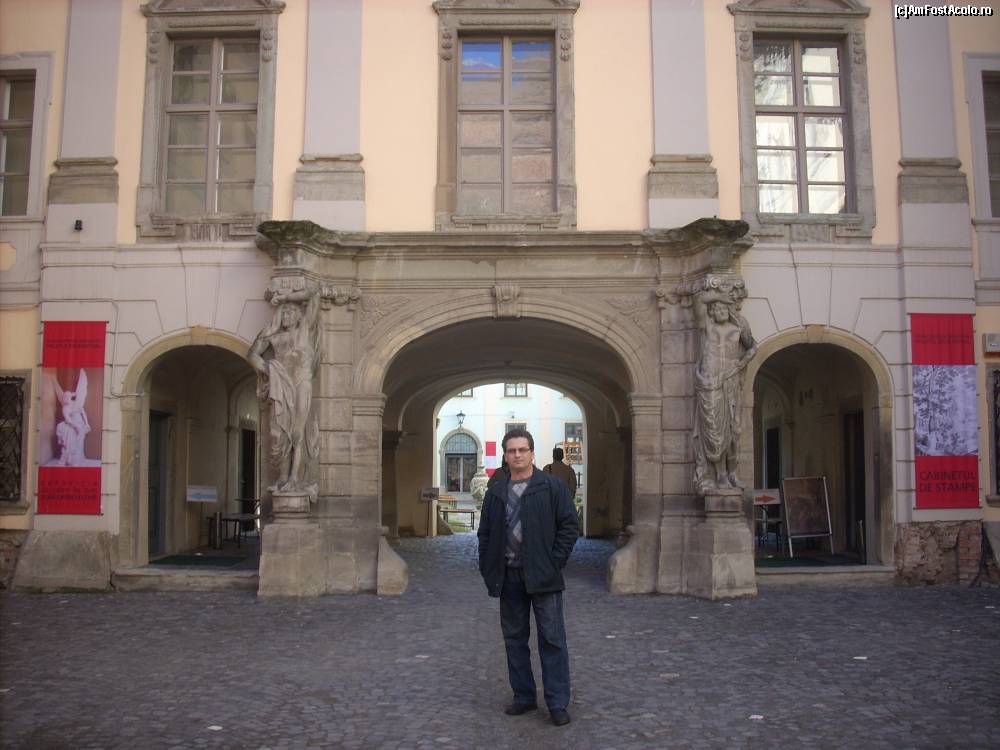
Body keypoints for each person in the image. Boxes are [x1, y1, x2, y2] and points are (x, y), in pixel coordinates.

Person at [477, 428, 579, 727]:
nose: (517, 455)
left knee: (552, 639)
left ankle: (557, 702)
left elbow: (569, 526)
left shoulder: (551, 486)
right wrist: (488, 567)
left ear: (532, 453)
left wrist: (554, 561)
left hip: (544, 576)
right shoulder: (497, 491)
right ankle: (523, 696)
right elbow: (485, 533)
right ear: (505, 455)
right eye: (512, 450)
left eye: (522, 449)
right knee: (514, 639)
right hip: (508, 576)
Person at [248, 281, 321, 493]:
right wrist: (269, 369)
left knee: (297, 431)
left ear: (299, 316)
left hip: (301, 383)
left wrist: (285, 298)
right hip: (282, 384)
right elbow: (252, 355)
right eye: (284, 312)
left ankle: (295, 479)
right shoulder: (274, 336)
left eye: (291, 313)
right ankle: (282, 477)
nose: (287, 316)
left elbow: (315, 294)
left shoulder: (304, 330)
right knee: (278, 433)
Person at [692, 290, 756, 494]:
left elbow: (752, 347)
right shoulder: (707, 327)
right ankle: (719, 474)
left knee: (734, 430)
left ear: (729, 310)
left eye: (723, 308)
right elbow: (699, 299)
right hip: (710, 383)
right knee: (714, 431)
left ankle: (732, 473)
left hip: (730, 380)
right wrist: (720, 297)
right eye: (716, 309)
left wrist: (742, 362)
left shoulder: (738, 328)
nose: (720, 311)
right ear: (711, 312)